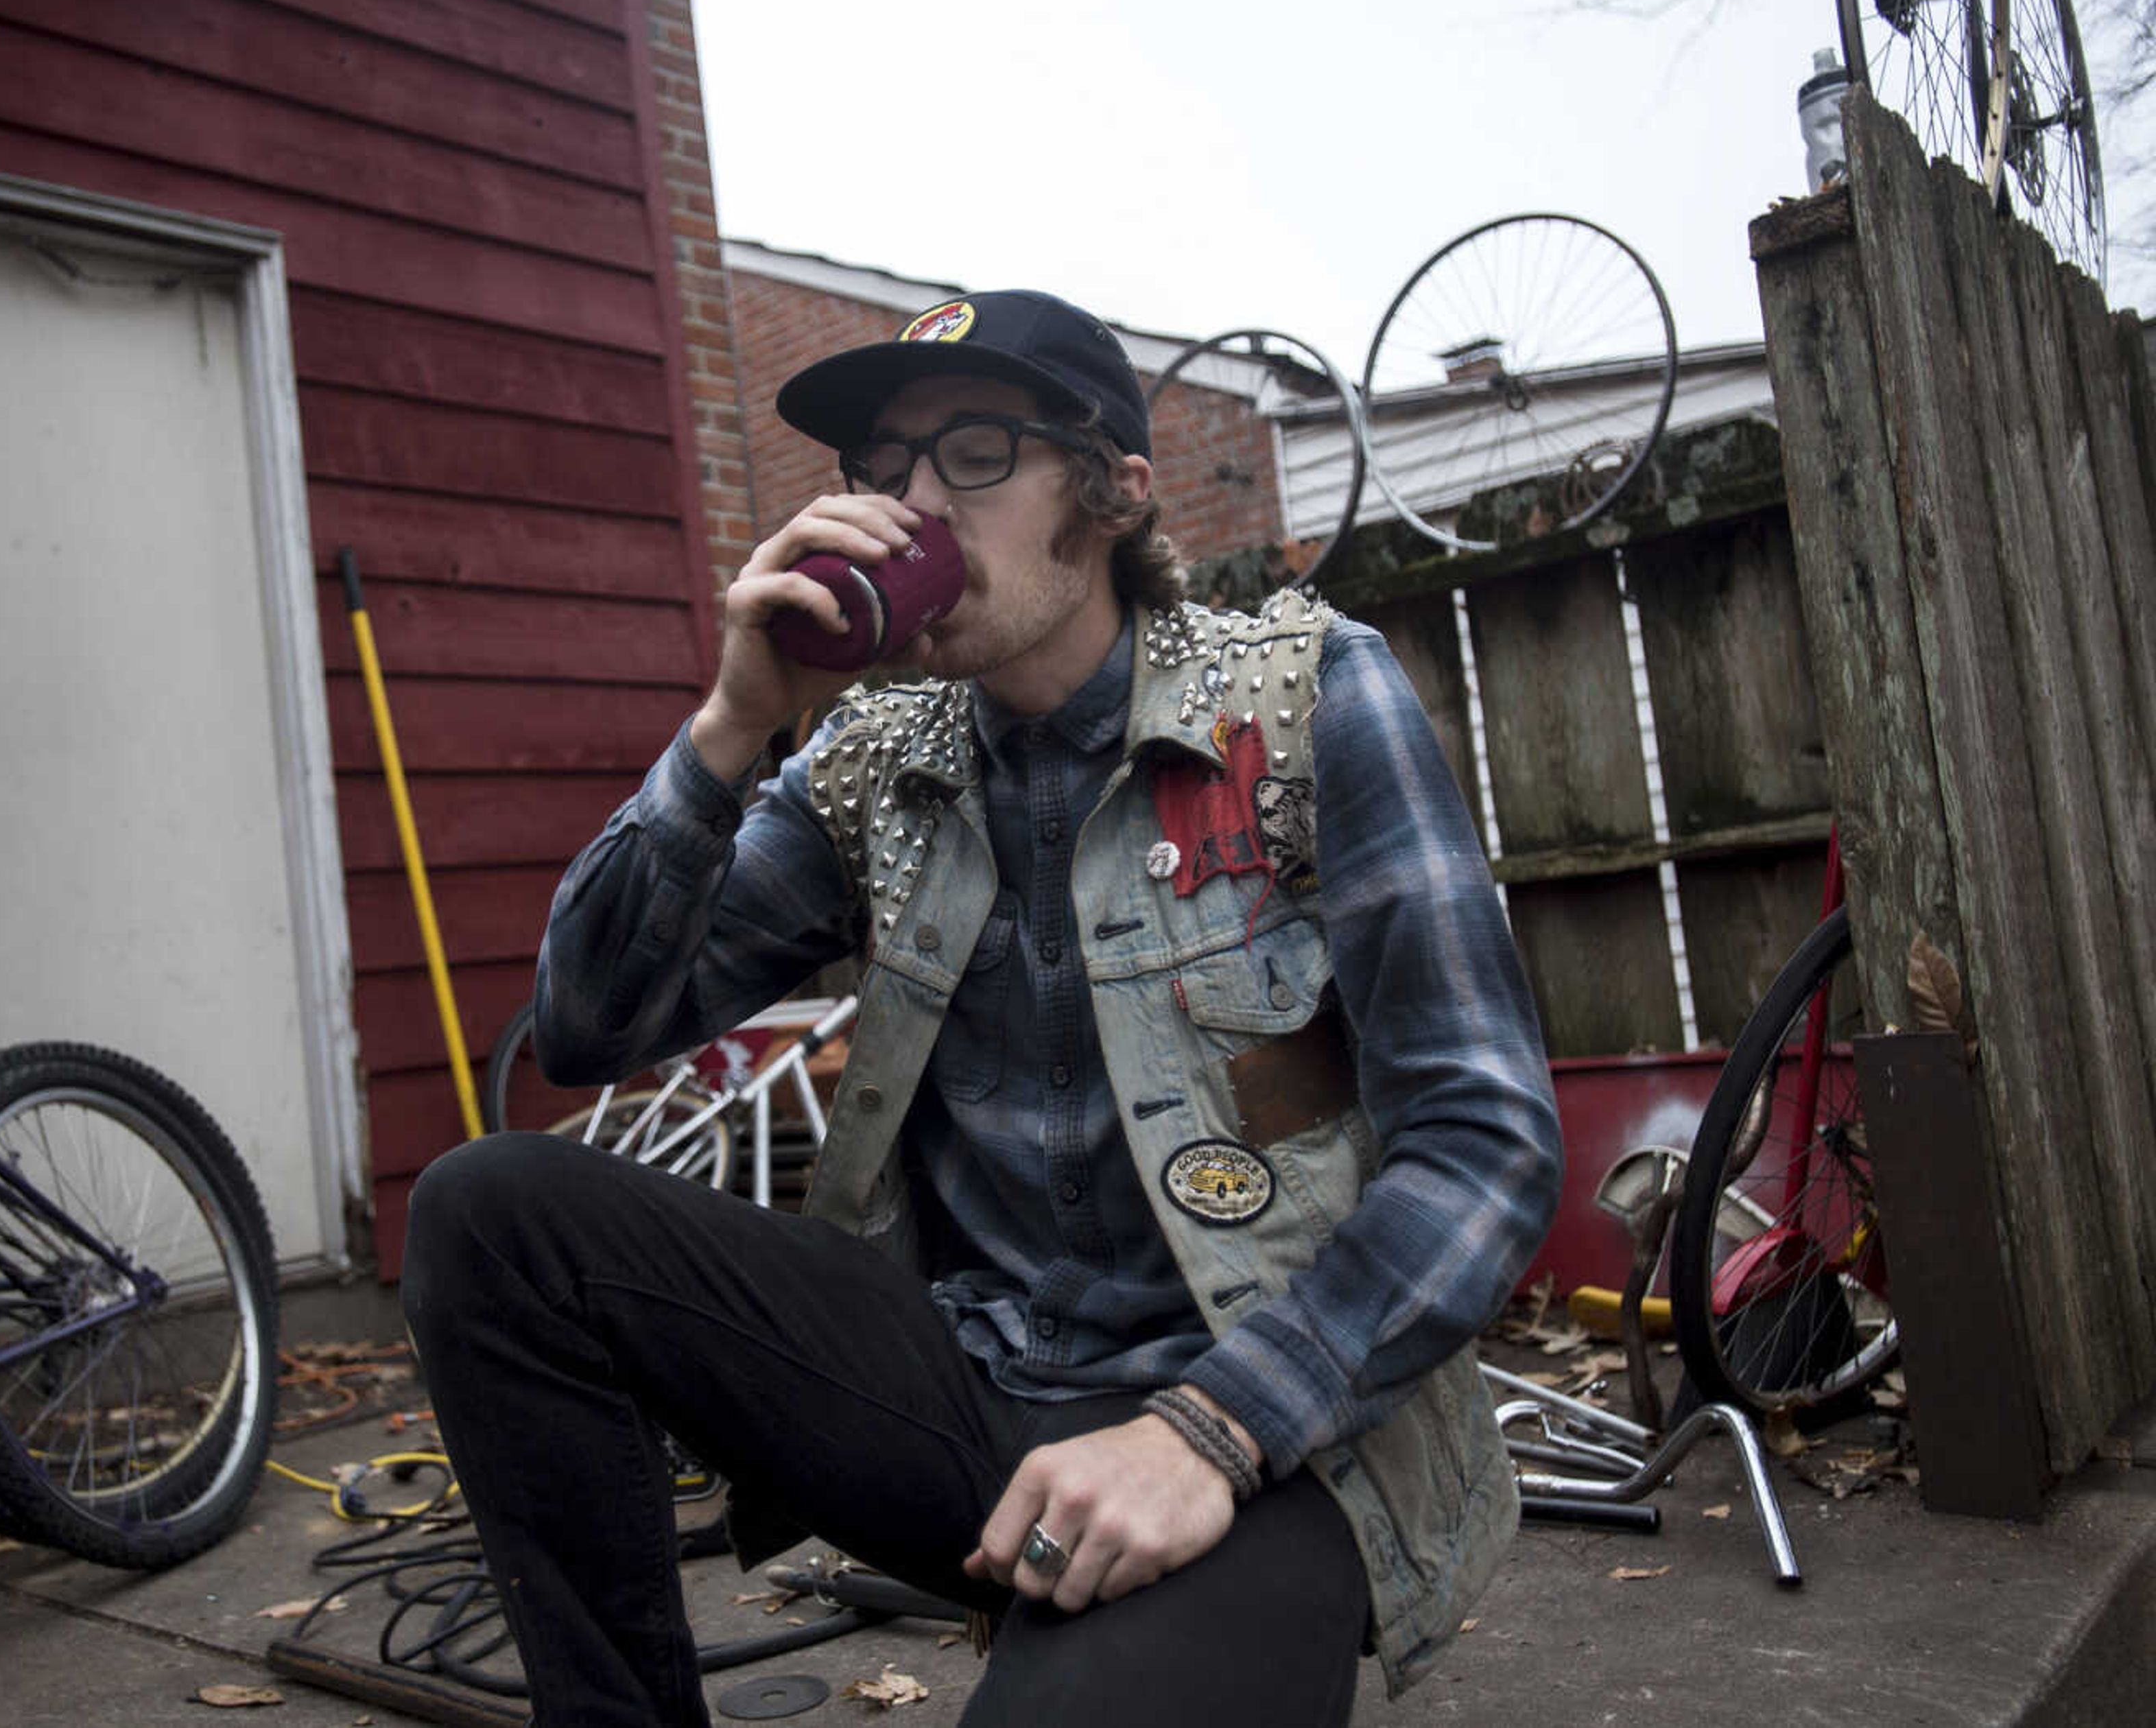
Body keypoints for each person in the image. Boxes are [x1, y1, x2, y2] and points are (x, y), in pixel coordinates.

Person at [401, 289, 1563, 1727]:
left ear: (1116, 492)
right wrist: (730, 726)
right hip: (964, 1386)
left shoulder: (1303, 699)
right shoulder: (868, 759)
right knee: (494, 1215)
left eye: (975, 455)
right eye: (883, 470)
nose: (911, 508)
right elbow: (589, 1029)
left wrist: (1209, 1431)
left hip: (1265, 1432)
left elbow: (1486, 1145)